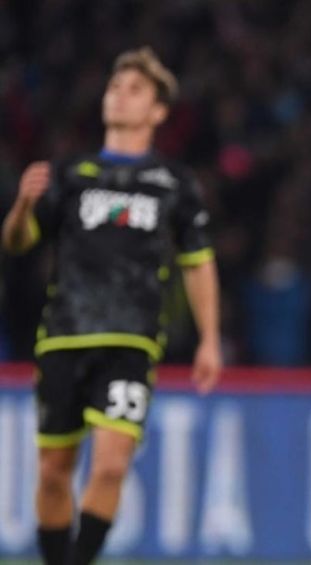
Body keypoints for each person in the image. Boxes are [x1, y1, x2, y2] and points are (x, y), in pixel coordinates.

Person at [1, 47, 222, 565]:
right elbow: (17, 242)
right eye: (114, 87)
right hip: (64, 335)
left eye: (134, 89)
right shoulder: (70, 174)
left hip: (131, 340)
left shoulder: (174, 185)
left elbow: (198, 262)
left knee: (110, 466)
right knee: (54, 471)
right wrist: (22, 205)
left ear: (157, 111)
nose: (119, 95)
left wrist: (209, 338)